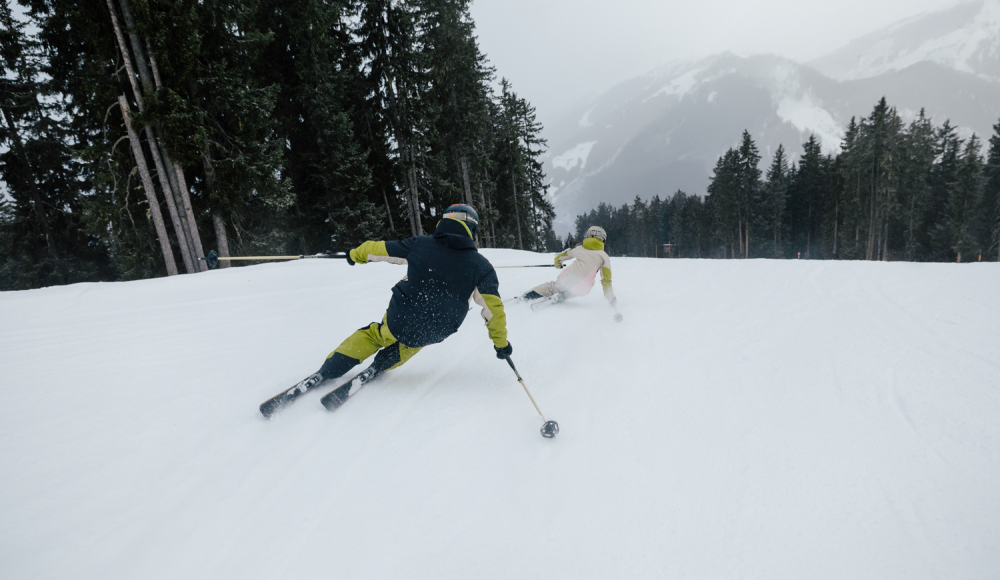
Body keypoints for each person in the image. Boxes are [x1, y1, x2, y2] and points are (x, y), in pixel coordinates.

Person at [261, 204, 511, 417]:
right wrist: (501, 345)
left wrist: (355, 255)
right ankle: (380, 366)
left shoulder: (420, 245)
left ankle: (329, 370)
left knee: (376, 334)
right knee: (413, 341)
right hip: (439, 329)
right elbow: (495, 312)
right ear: (473, 230)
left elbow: (377, 249)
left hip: (401, 318)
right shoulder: (482, 266)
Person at [519, 225, 616, 306]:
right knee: (578, 287)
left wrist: (558, 264)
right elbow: (606, 280)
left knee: (552, 287)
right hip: (584, 288)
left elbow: (560, 256)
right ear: (602, 239)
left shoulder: (579, 249)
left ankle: (527, 296)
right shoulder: (605, 257)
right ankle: (564, 295)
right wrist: (610, 297)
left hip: (566, 279)